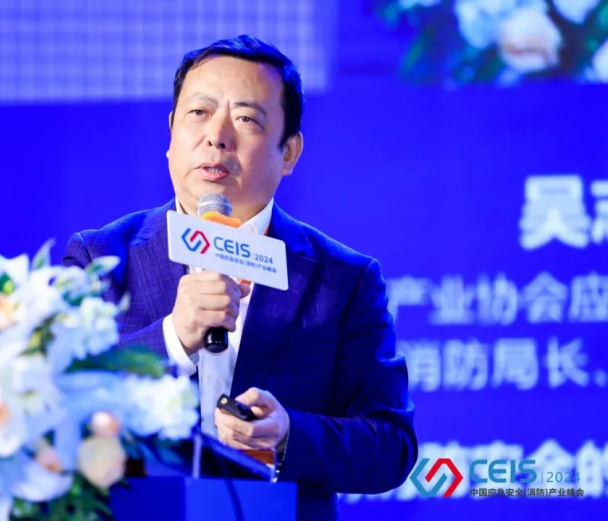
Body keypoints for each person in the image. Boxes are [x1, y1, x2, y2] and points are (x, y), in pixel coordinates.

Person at [63, 35, 417, 520]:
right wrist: (172, 338)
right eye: (199, 113)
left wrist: (289, 435)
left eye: (247, 119)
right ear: (171, 133)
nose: (217, 137)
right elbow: (59, 400)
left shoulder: (345, 279)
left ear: (288, 152)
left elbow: (391, 447)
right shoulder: (101, 257)